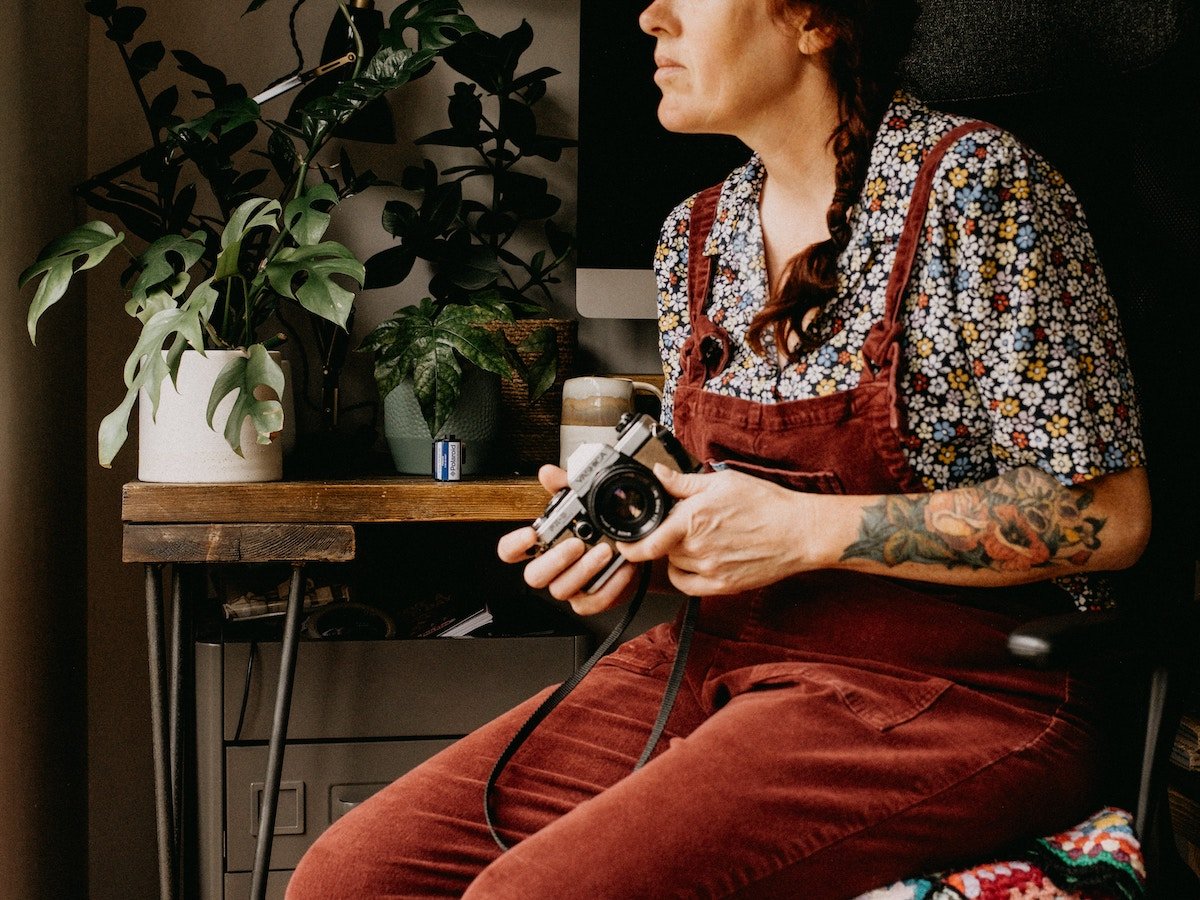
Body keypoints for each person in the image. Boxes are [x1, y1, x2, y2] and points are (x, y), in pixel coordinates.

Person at [288, 0, 1152, 896]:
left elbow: (1112, 518)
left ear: (816, 20)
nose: (651, 15)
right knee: (351, 877)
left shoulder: (979, 187)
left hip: (966, 687)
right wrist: (642, 536)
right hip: (727, 655)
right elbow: (728, 519)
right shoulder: (695, 235)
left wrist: (809, 531)